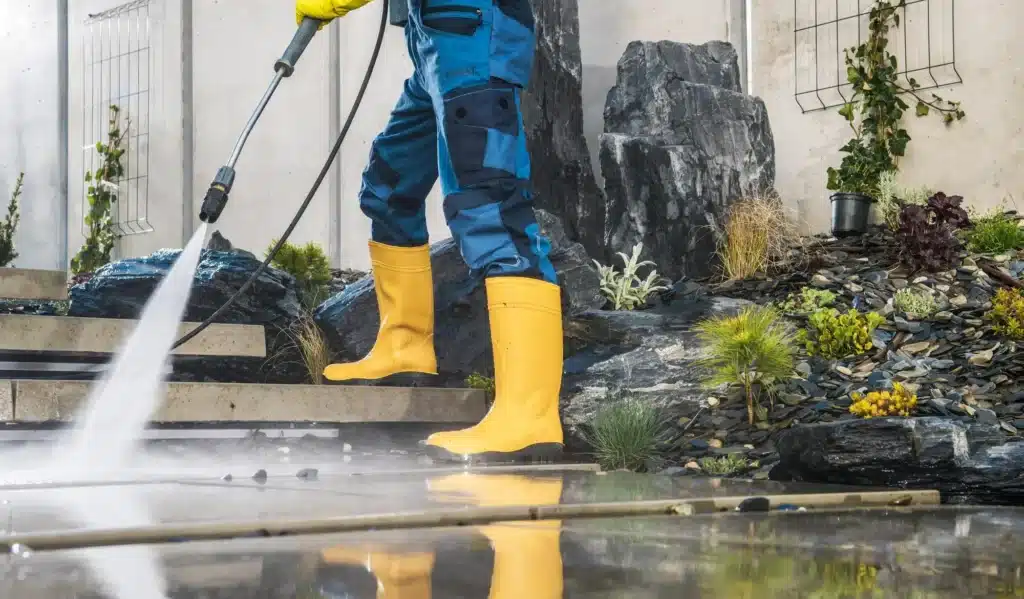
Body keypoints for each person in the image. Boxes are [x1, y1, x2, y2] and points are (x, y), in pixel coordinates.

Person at [295, 0, 563, 464]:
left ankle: (528, 416)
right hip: (432, 43)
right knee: (388, 186)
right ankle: (404, 345)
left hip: (473, 35)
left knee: (491, 209)